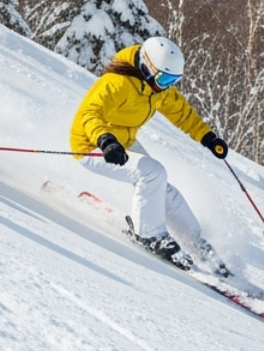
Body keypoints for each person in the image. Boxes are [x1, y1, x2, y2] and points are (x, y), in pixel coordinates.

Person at [69, 37, 231, 272]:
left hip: (122, 142)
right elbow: (89, 114)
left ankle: (195, 242)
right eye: (165, 78)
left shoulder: (157, 89)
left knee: (161, 186)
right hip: (92, 146)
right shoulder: (116, 83)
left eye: (173, 81)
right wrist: (105, 140)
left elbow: (182, 113)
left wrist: (207, 137)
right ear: (147, 66)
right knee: (153, 174)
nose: (166, 85)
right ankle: (149, 235)